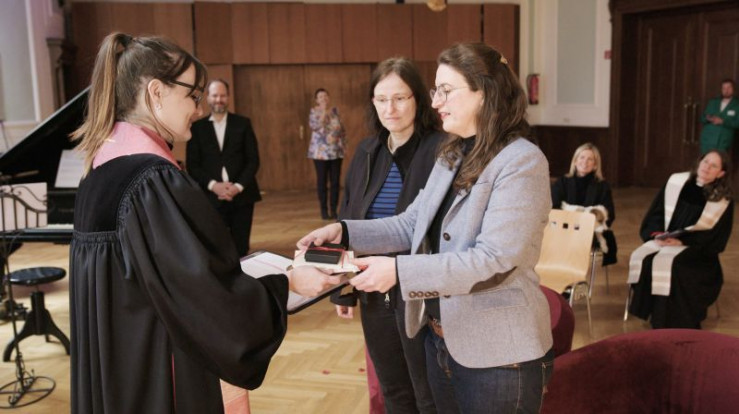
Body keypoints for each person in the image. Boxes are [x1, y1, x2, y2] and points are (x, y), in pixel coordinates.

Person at [69, 32, 338, 414]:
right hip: (160, 370)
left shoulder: (98, 171)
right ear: (156, 92)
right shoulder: (153, 182)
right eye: (193, 96)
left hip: (118, 369)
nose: (199, 109)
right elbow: (205, 301)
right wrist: (288, 284)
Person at [299, 43, 554, 413]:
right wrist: (344, 232)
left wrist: (398, 271)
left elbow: (493, 260)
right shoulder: (453, 153)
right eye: (436, 91)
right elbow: (411, 222)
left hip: (500, 356)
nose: (436, 102)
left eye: (446, 90)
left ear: (485, 93)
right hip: (441, 341)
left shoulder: (521, 162)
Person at [331, 57, 442, 413]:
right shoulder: (367, 151)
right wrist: (342, 288)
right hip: (372, 289)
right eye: (381, 99)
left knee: (427, 392)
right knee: (393, 389)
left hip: (419, 290)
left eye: (399, 98)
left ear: (418, 100)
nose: (389, 109)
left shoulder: (441, 149)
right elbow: (349, 215)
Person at [628, 150, 734, 329]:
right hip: (665, 239)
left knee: (676, 266)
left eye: (714, 166)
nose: (707, 167)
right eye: (705, 161)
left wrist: (684, 242)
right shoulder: (676, 183)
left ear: (721, 173)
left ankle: (675, 321)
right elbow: (656, 213)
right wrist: (657, 235)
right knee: (644, 259)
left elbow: (717, 237)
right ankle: (653, 313)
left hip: (698, 251)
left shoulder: (722, 200)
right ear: (699, 162)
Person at [187, 79, 261, 256]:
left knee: (241, 247)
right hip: (210, 197)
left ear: (228, 97)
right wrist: (214, 186)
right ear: (208, 98)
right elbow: (193, 165)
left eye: (222, 95)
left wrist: (237, 187)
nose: (218, 99)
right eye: (215, 95)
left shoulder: (243, 124)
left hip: (242, 196)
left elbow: (253, 160)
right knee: (215, 247)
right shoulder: (197, 128)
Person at [551, 143, 618, 266]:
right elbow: (554, 209)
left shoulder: (602, 186)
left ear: (595, 165)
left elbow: (609, 214)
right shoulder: (562, 182)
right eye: (581, 157)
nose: (585, 162)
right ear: (575, 161)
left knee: (575, 245)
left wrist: (575, 214)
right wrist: (585, 214)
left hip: (590, 233)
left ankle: (573, 273)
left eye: (590, 159)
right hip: (564, 230)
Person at [308, 88, 346, 219]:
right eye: (320, 97)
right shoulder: (314, 112)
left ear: (328, 98)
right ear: (316, 100)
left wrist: (343, 146)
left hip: (335, 151)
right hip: (320, 153)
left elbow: (341, 129)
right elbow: (316, 127)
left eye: (325, 96)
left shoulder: (335, 111)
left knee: (335, 182)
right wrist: (323, 111)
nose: (323, 98)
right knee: (322, 181)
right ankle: (324, 210)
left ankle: (334, 210)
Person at [700, 79, 739, 154]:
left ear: (733, 89)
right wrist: (708, 118)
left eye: (729, 87)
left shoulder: (737, 104)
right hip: (707, 138)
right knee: (705, 157)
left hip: (723, 140)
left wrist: (723, 121)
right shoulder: (713, 102)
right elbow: (702, 118)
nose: (726, 90)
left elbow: (737, 123)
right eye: (724, 88)